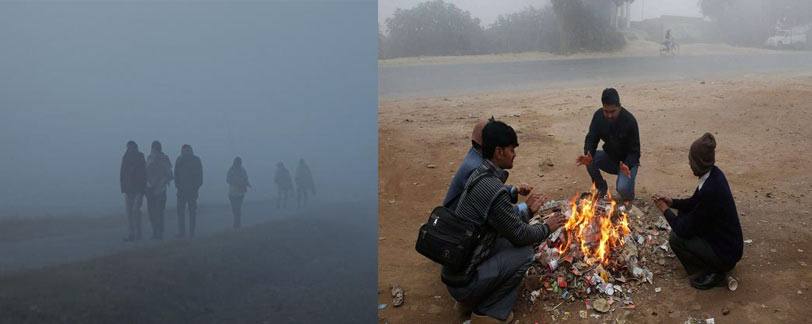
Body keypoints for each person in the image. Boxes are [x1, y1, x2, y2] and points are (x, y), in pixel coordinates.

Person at [443, 121, 566, 324]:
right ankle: (487, 313)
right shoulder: (491, 188)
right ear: (499, 152)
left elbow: (502, 221)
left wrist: (527, 213)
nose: (515, 154)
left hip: (456, 275)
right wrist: (547, 227)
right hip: (463, 280)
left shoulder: (480, 173)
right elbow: (520, 235)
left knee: (508, 243)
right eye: (511, 150)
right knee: (525, 253)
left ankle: (467, 302)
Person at [652, 133, 743, 290]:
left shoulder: (710, 190)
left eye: (691, 162)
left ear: (699, 164)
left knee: (676, 238)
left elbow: (682, 229)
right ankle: (711, 264)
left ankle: (713, 272)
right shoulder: (713, 174)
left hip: (727, 254)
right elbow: (694, 202)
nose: (689, 164)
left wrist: (665, 210)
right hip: (729, 245)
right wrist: (672, 202)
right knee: (682, 214)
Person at [443, 118, 533, 213]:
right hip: (460, 226)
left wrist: (514, 190)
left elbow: (491, 191)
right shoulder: (476, 169)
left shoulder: (475, 155)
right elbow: (500, 216)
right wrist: (526, 207)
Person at [576, 88, 640, 203]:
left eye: (613, 112)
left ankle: (628, 194)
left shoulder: (630, 121)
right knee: (590, 159)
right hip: (610, 158)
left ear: (619, 106)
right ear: (602, 107)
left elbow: (635, 152)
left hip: (627, 164)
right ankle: (602, 190)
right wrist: (588, 153)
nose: (609, 115)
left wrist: (627, 164)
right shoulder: (599, 116)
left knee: (623, 190)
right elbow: (591, 138)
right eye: (606, 111)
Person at [145, 140, 173, 239]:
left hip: (161, 189)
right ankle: (155, 231)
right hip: (149, 189)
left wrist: (163, 181)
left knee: (159, 212)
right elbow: (145, 173)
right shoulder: (149, 158)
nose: (155, 150)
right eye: (154, 148)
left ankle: (159, 232)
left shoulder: (165, 159)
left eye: (157, 148)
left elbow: (170, 174)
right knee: (151, 212)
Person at [120, 140, 146, 241]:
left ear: (135, 147)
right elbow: (122, 173)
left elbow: (143, 173)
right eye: (128, 147)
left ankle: (138, 233)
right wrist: (123, 187)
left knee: (135, 211)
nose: (130, 149)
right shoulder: (125, 157)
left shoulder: (140, 157)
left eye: (131, 147)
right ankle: (131, 234)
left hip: (138, 188)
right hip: (128, 189)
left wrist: (143, 188)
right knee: (129, 213)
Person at [174, 144, 203, 238]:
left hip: (192, 191)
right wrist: (178, 186)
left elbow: (200, 176)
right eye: (184, 150)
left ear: (190, 150)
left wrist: (196, 187)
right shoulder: (179, 160)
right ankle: (182, 232)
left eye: (187, 150)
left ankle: (192, 232)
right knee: (180, 212)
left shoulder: (196, 160)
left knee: (192, 212)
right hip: (181, 191)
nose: (185, 152)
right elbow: (176, 174)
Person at [227, 157, 250, 228]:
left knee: (237, 208)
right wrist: (237, 182)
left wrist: (247, 183)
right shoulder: (231, 170)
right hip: (233, 192)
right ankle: (237, 222)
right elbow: (228, 180)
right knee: (235, 209)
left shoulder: (242, 170)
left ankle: (237, 224)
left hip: (239, 193)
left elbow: (246, 179)